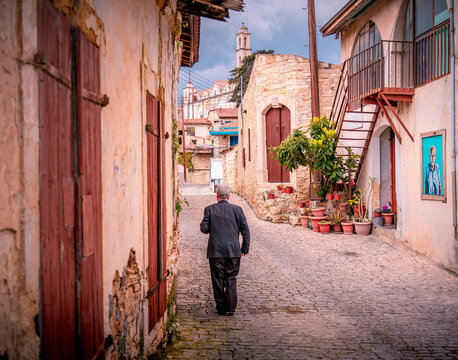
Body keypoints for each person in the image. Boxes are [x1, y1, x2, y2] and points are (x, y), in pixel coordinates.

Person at [200, 184, 250, 316]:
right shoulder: (237, 210)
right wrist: (244, 247)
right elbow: (245, 230)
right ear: (229, 196)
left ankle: (221, 308)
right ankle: (231, 307)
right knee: (231, 278)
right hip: (233, 251)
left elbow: (204, 229)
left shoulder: (209, 209)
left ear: (217, 196)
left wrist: (211, 224)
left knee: (217, 280)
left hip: (216, 252)